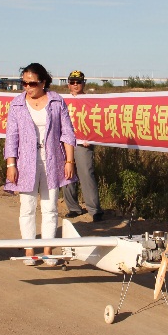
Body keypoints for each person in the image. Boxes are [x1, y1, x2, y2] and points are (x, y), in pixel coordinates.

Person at [4, 63, 76, 266]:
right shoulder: (17, 104)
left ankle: (47, 250)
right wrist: (11, 164)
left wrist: (69, 161)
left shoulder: (56, 101)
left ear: (43, 82)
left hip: (52, 161)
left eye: (32, 83)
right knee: (27, 207)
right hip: (25, 163)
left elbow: (67, 133)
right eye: (24, 83)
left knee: (50, 207)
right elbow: (11, 137)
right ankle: (29, 249)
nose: (28, 87)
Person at [62, 70, 104, 222]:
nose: (75, 85)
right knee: (67, 174)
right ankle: (73, 207)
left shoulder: (90, 101)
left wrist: (91, 137)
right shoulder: (62, 100)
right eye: (72, 82)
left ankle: (94, 209)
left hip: (83, 143)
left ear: (83, 83)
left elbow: (97, 120)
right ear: (68, 84)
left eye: (78, 82)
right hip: (65, 141)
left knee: (86, 173)